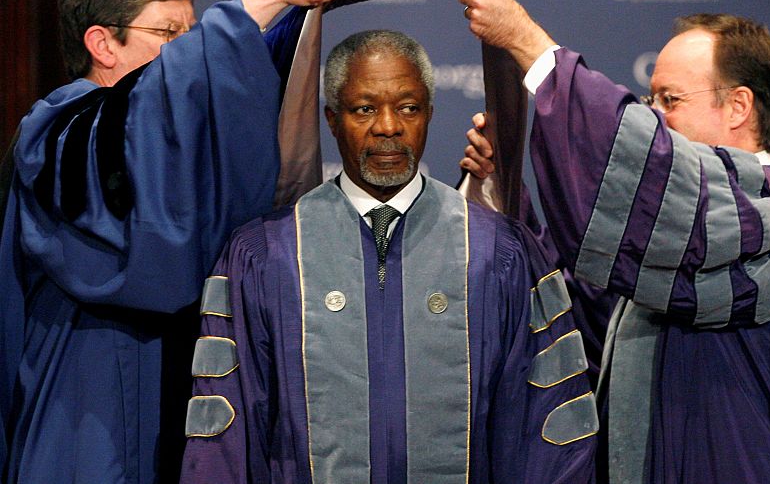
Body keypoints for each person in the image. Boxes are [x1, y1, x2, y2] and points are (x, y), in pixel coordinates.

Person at [0, 0, 378, 483]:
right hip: (87, 417)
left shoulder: (178, 149)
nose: (188, 53)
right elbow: (143, 244)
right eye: (169, 34)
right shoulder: (60, 130)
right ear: (102, 43)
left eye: (191, 32)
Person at [180, 30, 598, 483]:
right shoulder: (266, 255)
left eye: (408, 108)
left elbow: (547, 425)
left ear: (430, 115)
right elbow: (226, 435)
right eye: (364, 109)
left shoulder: (500, 252)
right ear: (332, 119)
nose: (388, 126)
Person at [452, 0, 770, 484]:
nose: (654, 118)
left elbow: (652, 173)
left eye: (670, 100)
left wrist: (531, 46)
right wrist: (504, 193)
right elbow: (585, 312)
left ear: (739, 106)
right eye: (650, 100)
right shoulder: (677, 238)